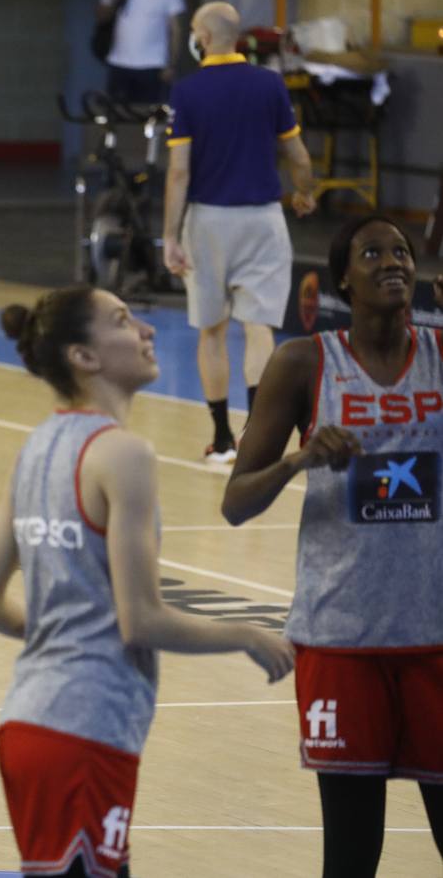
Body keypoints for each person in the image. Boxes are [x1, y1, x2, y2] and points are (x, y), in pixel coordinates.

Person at [0, 284, 295, 878]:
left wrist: (63, 636)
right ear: (84, 357)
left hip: (27, 721)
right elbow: (141, 618)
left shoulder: (37, 447)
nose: (145, 330)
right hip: (84, 730)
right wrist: (247, 633)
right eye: (122, 321)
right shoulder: (124, 455)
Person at [222, 216, 443, 878]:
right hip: (341, 639)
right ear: (344, 276)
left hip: (434, 634)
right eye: (372, 252)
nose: (392, 261)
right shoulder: (304, 362)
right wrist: (298, 462)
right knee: (351, 853)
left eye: (402, 252)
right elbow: (236, 504)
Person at [162, 1, 317, 463]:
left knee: (211, 331)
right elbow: (299, 156)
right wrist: (305, 194)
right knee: (260, 331)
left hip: (208, 221)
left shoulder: (187, 93)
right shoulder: (270, 85)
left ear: (203, 38)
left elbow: (178, 174)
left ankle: (221, 439)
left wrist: (170, 235)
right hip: (263, 219)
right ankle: (258, 435)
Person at [96, 0, 186, 104]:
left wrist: (171, 65)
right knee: (117, 117)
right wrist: (113, 0)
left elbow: (176, 29)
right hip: (119, 65)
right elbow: (101, 17)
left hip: (153, 66)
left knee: (150, 117)